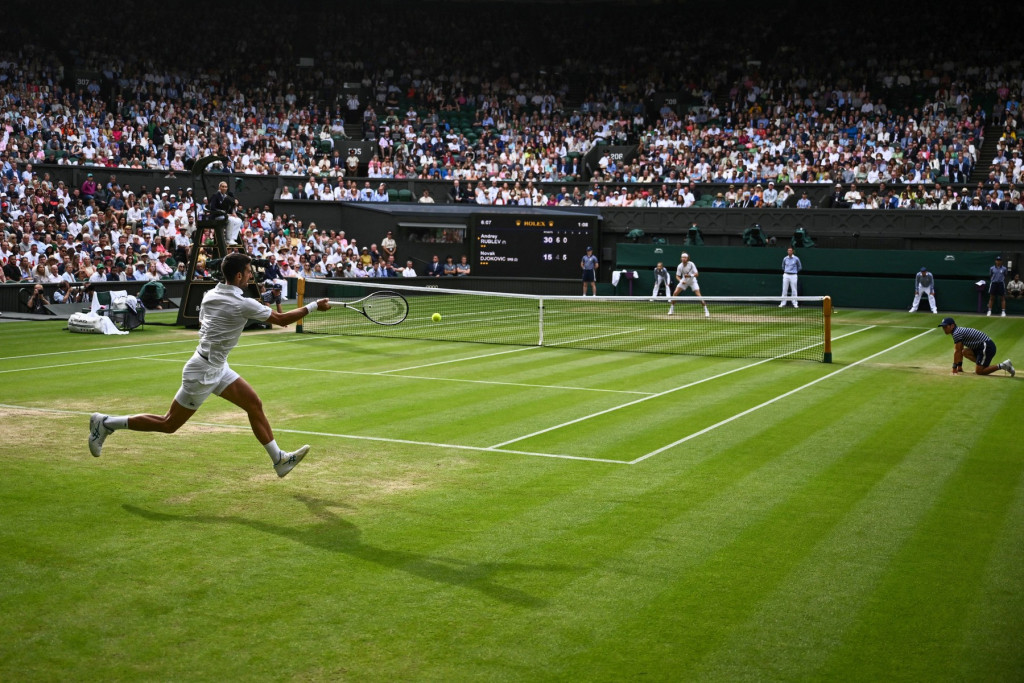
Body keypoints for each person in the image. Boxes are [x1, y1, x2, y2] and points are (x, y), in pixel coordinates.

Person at [88, 252, 332, 478]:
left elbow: (229, 316)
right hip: (203, 372)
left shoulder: (212, 294)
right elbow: (280, 319)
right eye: (248, 272)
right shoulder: (242, 303)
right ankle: (107, 423)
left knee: (254, 404)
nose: (251, 276)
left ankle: (279, 460)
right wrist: (313, 306)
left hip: (216, 366)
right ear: (238, 276)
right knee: (169, 423)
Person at [938, 317, 1014, 377]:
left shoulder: (956, 333)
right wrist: (959, 367)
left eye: (945, 327)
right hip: (982, 347)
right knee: (965, 352)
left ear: (952, 326)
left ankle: (1003, 365)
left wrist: (954, 368)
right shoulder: (957, 331)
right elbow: (960, 350)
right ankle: (981, 365)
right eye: (943, 327)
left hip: (987, 346)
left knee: (979, 372)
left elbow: (957, 351)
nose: (944, 329)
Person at [668, 252, 709, 317]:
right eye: (682, 257)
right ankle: (671, 309)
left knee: (699, 295)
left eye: (685, 257)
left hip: (693, 281)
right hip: (684, 281)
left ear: (687, 258)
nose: (683, 259)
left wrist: (690, 275)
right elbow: (677, 276)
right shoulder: (679, 266)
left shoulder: (691, 264)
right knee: (675, 293)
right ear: (681, 258)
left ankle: (706, 310)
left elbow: (697, 274)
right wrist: (681, 281)